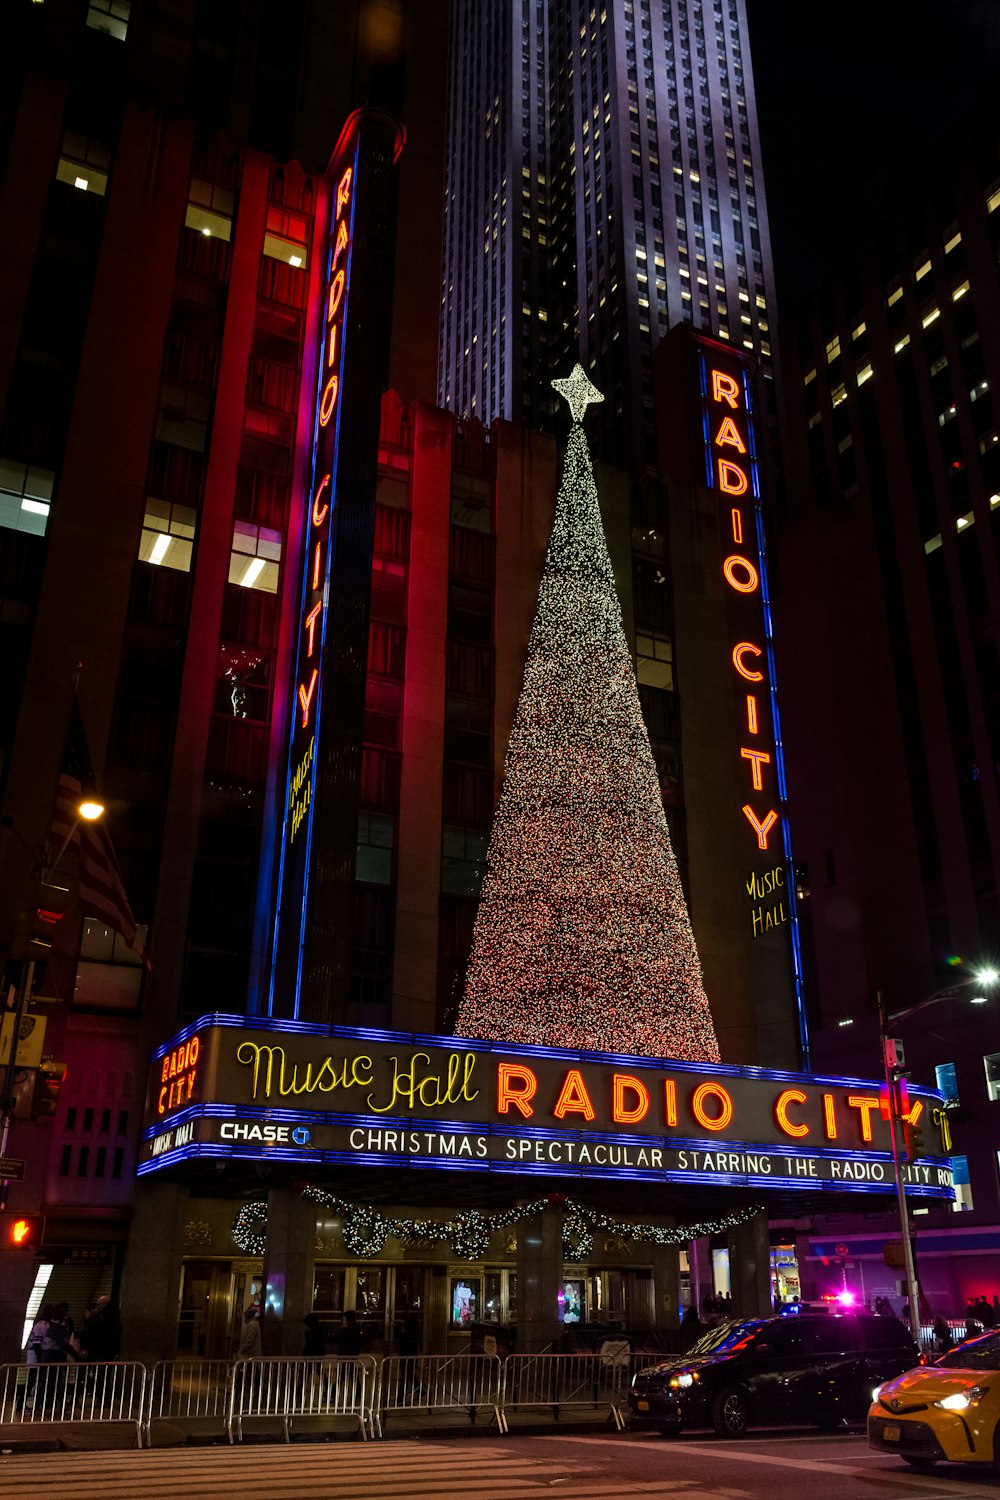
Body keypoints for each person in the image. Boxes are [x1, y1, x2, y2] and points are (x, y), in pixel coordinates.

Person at [80, 1296, 122, 1364]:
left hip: (101, 1349)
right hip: (103, 1349)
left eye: (98, 1304)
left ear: (104, 1304)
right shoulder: (107, 1316)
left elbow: (93, 1330)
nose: (97, 1307)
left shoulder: (105, 1317)